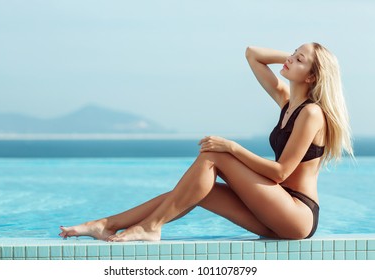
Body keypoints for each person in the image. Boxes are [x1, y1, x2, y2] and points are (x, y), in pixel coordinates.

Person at [59, 43, 353, 241]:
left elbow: (281, 173)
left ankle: (150, 227)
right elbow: (252, 53)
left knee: (215, 156)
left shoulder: (311, 113)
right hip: (273, 208)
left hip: (295, 213)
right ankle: (107, 224)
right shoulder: (286, 101)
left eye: (299, 60)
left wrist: (232, 147)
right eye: (293, 53)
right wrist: (291, 58)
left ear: (313, 77)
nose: (290, 59)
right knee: (197, 191)